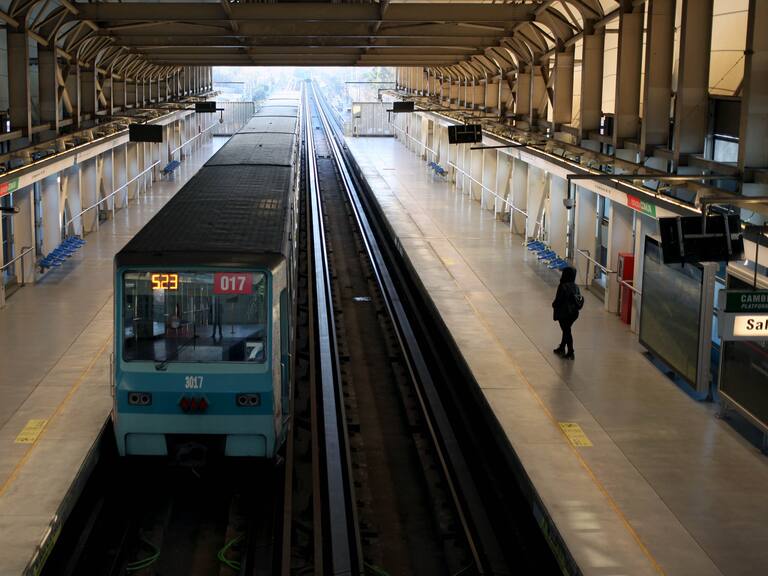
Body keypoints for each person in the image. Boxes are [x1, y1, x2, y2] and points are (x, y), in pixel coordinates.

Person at [552, 266, 583, 359]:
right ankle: (562, 347)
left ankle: (570, 352)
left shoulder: (562, 286)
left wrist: (553, 305)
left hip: (564, 313)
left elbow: (558, 300)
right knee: (566, 330)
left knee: (566, 331)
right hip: (574, 313)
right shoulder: (576, 286)